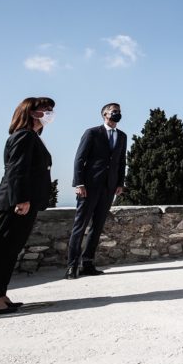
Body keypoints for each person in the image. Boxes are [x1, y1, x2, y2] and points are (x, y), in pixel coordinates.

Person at [0, 97, 56, 315]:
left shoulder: (32, 137)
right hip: (17, 202)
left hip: (24, 201)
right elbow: (17, 170)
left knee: (11, 251)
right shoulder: (24, 136)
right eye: (46, 109)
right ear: (31, 112)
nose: (50, 113)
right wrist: (21, 199)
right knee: (3, 250)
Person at [66, 102, 127, 279]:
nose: (117, 113)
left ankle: (88, 263)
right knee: (80, 226)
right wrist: (79, 183)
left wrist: (119, 183)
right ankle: (72, 266)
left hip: (109, 187)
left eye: (119, 111)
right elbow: (79, 159)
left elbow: (121, 161)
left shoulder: (122, 136)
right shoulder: (92, 133)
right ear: (104, 114)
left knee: (97, 226)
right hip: (89, 186)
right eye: (114, 111)